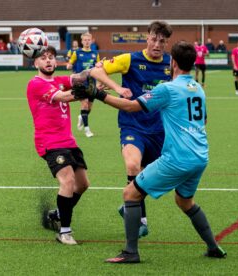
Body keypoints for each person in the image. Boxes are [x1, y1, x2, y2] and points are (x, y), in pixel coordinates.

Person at [74, 40, 227, 263]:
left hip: (178, 159)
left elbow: (131, 106)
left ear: (172, 63)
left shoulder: (167, 88)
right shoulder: (198, 88)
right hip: (200, 156)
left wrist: (98, 95)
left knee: (130, 194)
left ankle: (130, 252)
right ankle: (213, 247)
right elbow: (204, 119)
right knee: (185, 202)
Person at [90, 20, 172, 238]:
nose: (157, 44)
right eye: (154, 39)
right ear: (147, 37)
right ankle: (140, 219)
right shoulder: (130, 59)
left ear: (166, 43)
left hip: (159, 130)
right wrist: (117, 87)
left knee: (152, 177)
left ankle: (128, 207)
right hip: (132, 126)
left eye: (162, 41)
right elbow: (95, 72)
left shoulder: (171, 64)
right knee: (133, 165)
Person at [26, 45, 91, 245]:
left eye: (51, 57)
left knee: (83, 184)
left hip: (68, 141)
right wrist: (89, 91)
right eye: (43, 58)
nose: (48, 61)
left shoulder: (59, 80)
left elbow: (79, 77)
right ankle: (64, 232)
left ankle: (57, 214)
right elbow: (63, 96)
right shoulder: (35, 84)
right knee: (68, 181)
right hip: (50, 141)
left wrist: (100, 68)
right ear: (35, 62)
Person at [67, 33, 100, 138]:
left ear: (91, 41)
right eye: (85, 40)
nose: (86, 41)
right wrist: (69, 65)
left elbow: (99, 69)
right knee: (84, 104)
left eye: (88, 40)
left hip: (92, 83)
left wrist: (99, 82)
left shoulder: (95, 53)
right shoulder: (76, 53)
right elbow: (70, 63)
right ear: (82, 41)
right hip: (80, 84)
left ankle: (81, 117)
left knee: (89, 107)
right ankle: (87, 130)